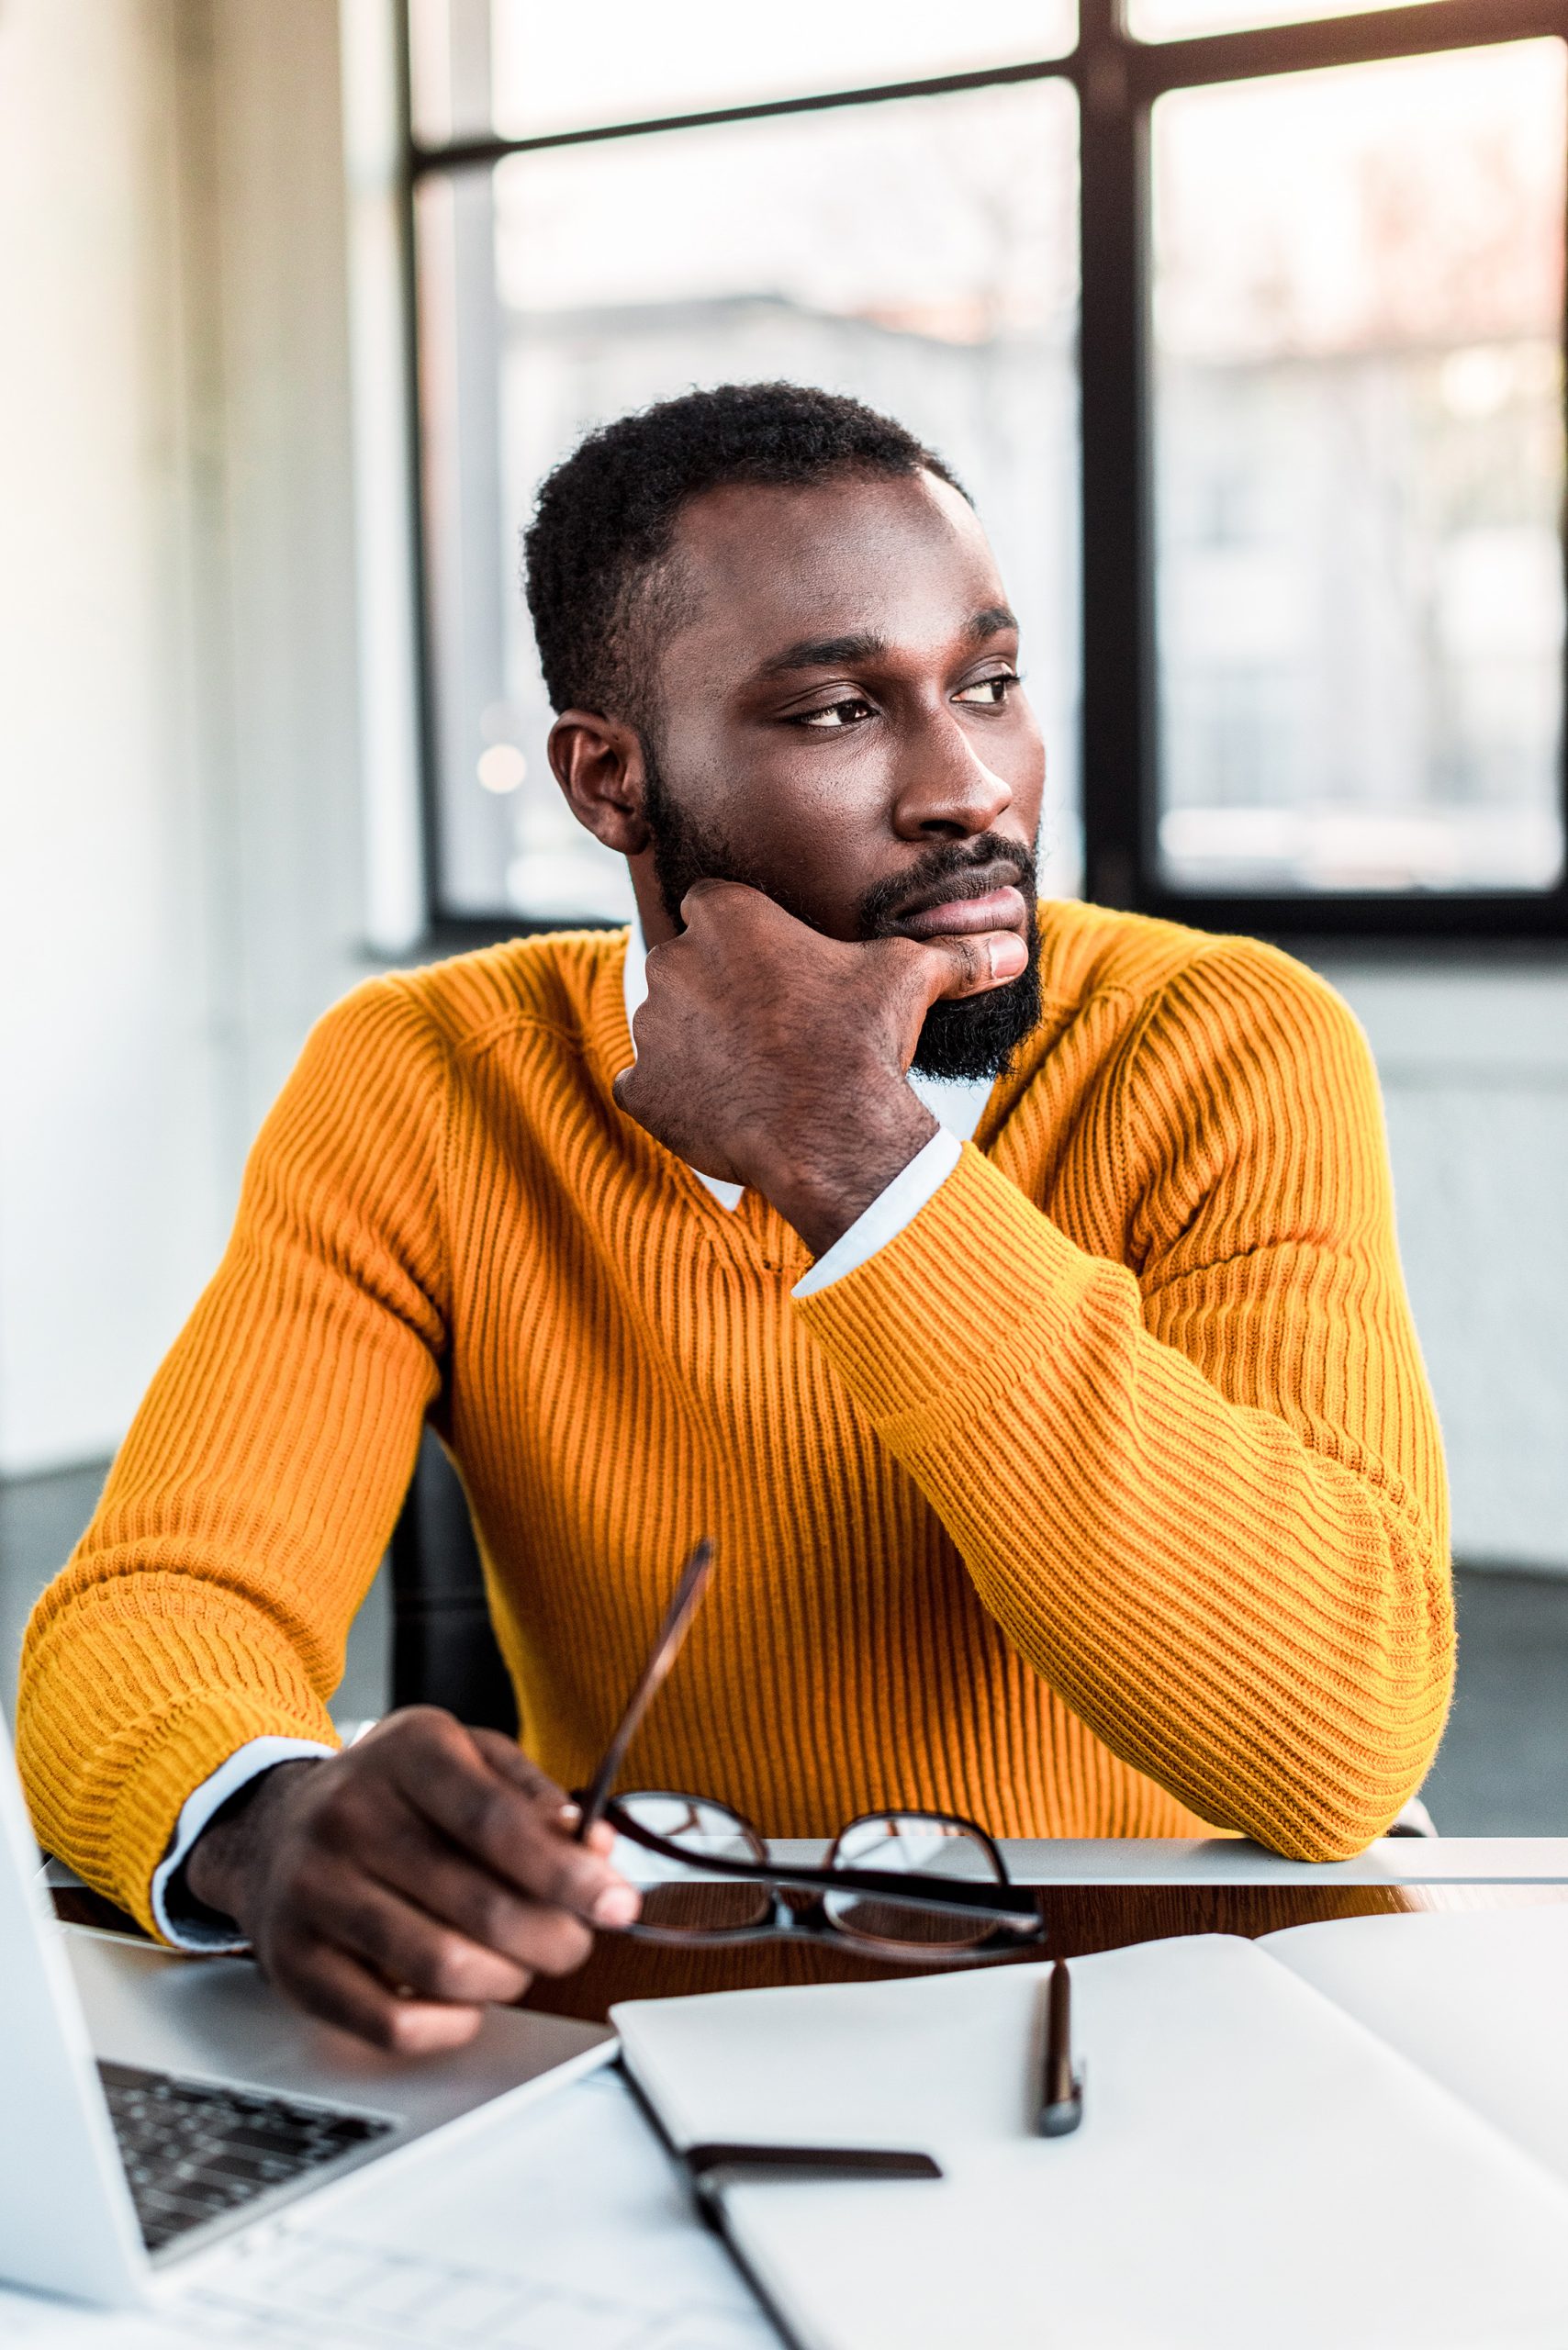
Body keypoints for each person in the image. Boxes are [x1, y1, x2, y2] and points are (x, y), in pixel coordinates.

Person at [19, 383, 1453, 2050]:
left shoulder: (1225, 1044)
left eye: (988, 683)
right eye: (842, 712)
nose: (972, 787)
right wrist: (264, 1814)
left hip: (1181, 1988)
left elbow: (1343, 1735)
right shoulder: (426, 1079)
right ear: (611, 781)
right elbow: (152, 1606)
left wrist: (865, 1173)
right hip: (668, 1983)